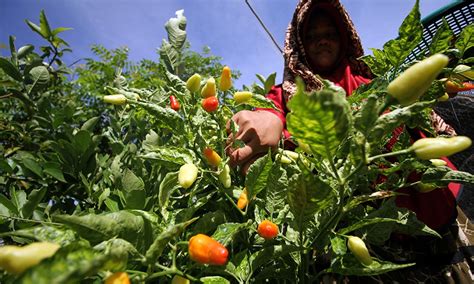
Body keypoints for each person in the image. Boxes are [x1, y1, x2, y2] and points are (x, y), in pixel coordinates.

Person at [226, 0, 473, 282]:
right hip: (371, 240)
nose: (321, 41)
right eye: (311, 36)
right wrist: (265, 121)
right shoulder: (290, 92)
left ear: (344, 37)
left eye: (329, 33)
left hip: (438, 211)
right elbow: (270, 112)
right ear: (299, 44)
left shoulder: (370, 79)